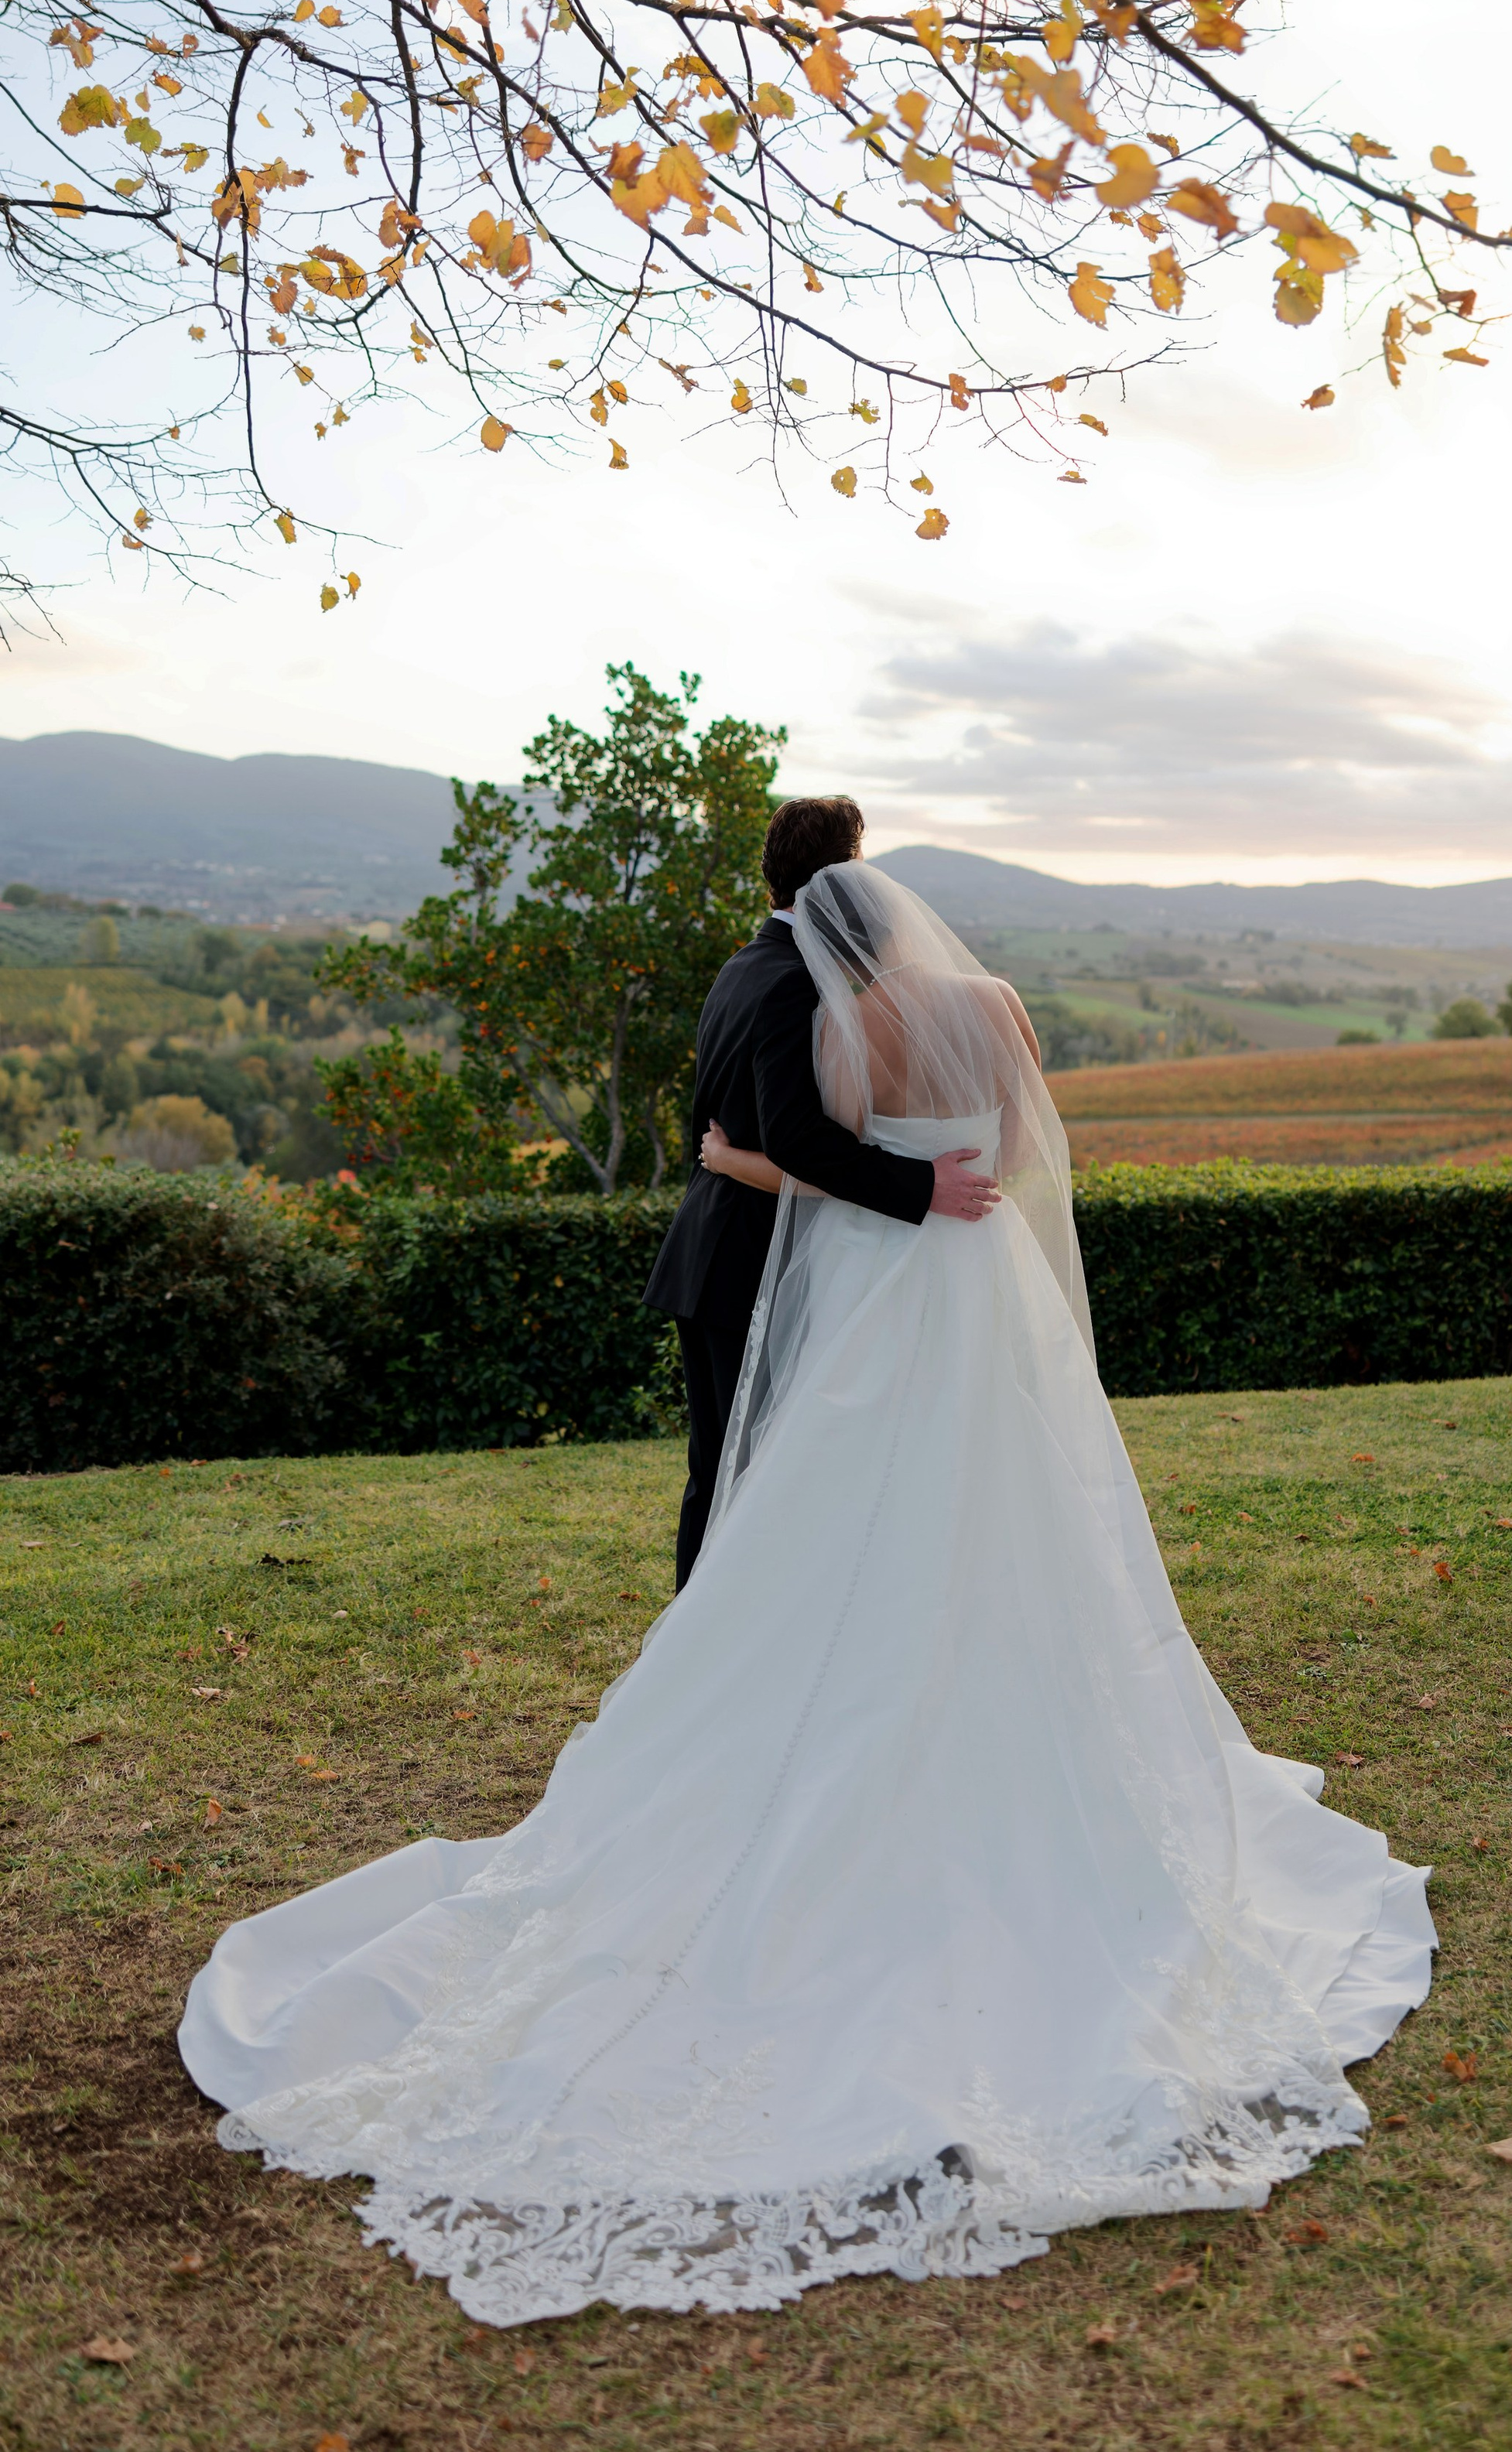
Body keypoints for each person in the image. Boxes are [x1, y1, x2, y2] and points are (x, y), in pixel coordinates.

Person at [177, 862, 1434, 2327]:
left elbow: (802, 1161)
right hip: (983, 1291)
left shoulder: (843, 1028)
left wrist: (764, 1163)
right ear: (905, 919)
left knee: (821, 1524)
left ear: (826, 936)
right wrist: (964, 1183)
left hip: (870, 1294)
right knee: (1011, 1523)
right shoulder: (1000, 1004)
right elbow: (1025, 1160)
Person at [639, 795, 997, 1588]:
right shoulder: (798, 981)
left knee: (721, 1468)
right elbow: (798, 1137)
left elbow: (717, 1116)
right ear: (840, 876)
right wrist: (921, 1183)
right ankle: (707, 1649)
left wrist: (727, 1160)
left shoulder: (743, 963)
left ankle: (696, 1642)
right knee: (752, 1472)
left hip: (710, 1246)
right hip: (748, 1261)